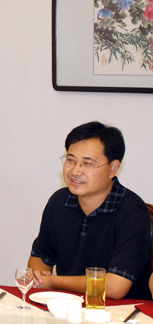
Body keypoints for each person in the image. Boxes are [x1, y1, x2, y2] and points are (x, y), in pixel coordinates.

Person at [29, 121, 152, 300]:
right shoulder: (59, 201)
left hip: (122, 311)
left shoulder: (133, 212)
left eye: (87, 164)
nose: (75, 171)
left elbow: (115, 287)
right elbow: (40, 257)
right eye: (71, 160)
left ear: (112, 168)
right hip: (68, 306)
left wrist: (54, 282)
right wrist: (39, 277)